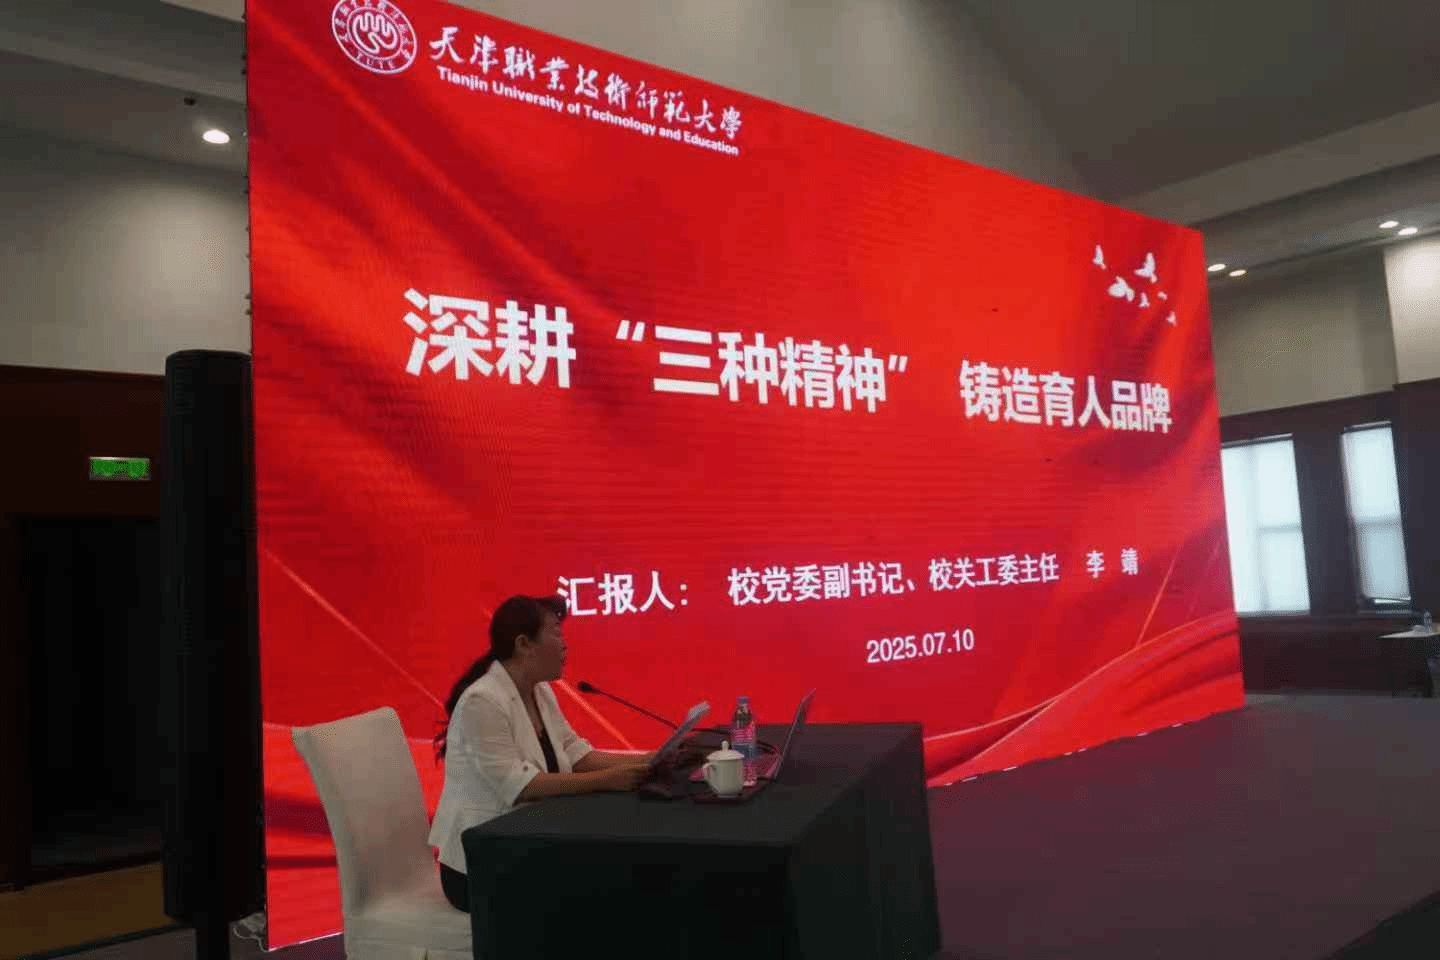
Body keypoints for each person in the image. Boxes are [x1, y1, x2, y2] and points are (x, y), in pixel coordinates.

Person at [427, 594, 653, 912]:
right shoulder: (483, 700)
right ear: (524, 644)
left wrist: (649, 759)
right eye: (556, 634)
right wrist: (608, 780)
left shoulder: (540, 691)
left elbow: (576, 754)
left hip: (526, 842)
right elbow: (520, 785)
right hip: (481, 864)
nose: (565, 645)